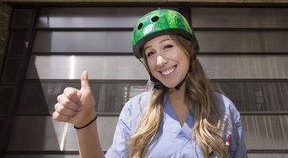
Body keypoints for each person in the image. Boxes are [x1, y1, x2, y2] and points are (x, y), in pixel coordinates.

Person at [53, 9, 247, 158]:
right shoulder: (134, 110)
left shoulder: (224, 108)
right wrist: (85, 122)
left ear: (189, 49)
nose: (159, 61)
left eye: (168, 46)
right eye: (150, 53)